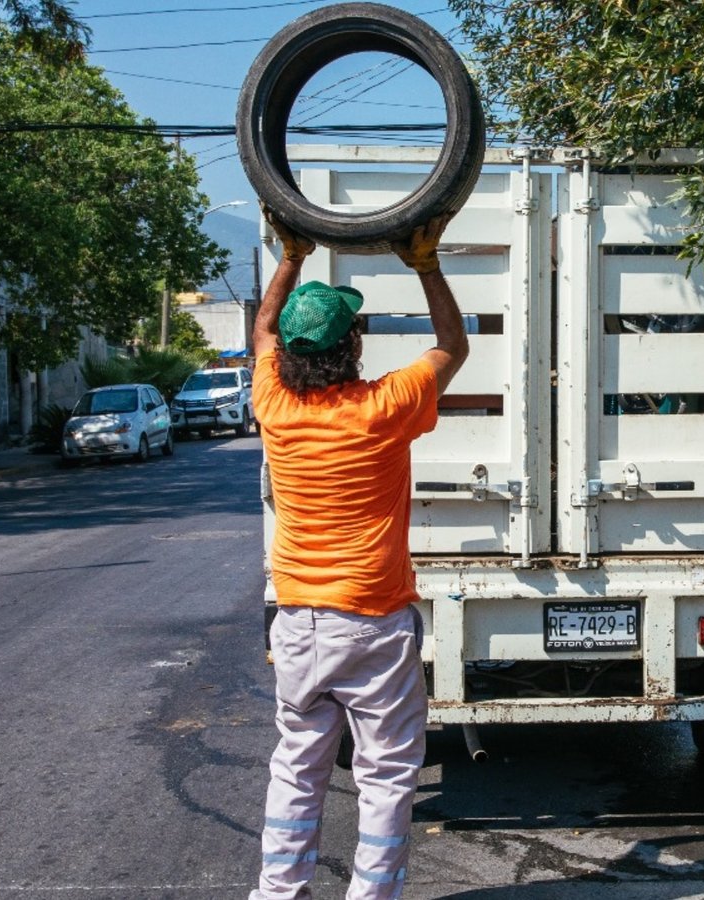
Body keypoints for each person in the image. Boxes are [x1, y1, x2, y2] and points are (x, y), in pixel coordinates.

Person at [248, 205, 467, 900]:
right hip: (372, 621)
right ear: (353, 345)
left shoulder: (273, 404)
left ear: (290, 354)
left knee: (297, 766)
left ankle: (278, 893)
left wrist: (291, 256)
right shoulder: (383, 408)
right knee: (387, 774)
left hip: (298, 621)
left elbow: (261, 331)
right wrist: (426, 265)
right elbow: (453, 346)